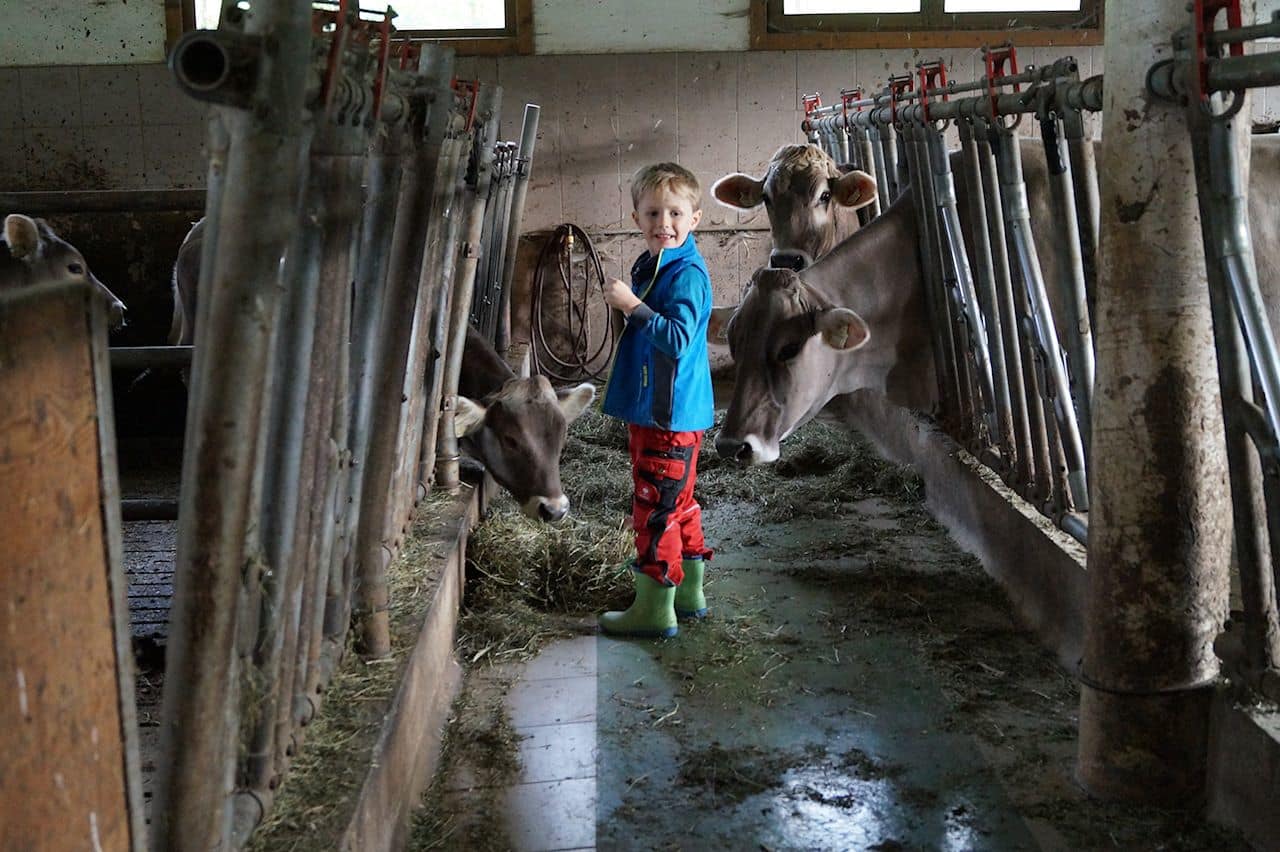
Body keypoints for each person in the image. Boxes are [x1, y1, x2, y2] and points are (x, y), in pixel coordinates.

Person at [598, 162, 716, 638]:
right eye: (652, 213)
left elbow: (678, 338)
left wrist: (632, 306)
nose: (663, 223)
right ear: (636, 218)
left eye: (675, 213)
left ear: (695, 219)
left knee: (654, 507)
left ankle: (654, 609)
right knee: (678, 503)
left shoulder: (686, 274)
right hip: (668, 412)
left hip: (667, 416)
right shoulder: (659, 264)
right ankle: (688, 595)